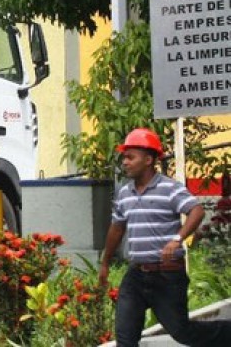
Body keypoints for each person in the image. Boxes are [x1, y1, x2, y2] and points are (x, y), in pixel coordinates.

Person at [98, 127, 231, 346]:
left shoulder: (169, 188)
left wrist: (177, 239)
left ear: (149, 159)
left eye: (131, 157)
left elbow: (196, 211)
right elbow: (116, 228)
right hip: (136, 275)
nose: (125, 162)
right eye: (124, 157)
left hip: (167, 275)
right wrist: (105, 263)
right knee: (125, 337)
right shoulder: (124, 193)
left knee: (183, 333)